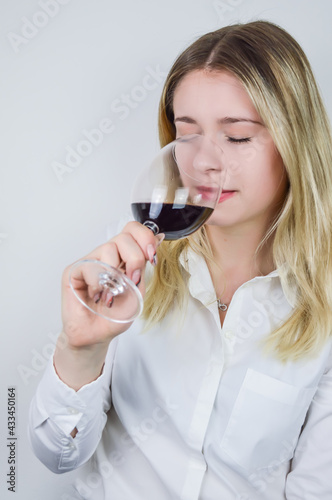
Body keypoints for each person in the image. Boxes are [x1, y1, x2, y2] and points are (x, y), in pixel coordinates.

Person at [28, 20, 332, 499]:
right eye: (187, 135)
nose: (206, 162)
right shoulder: (125, 268)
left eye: (237, 137)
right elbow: (56, 456)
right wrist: (81, 349)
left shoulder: (325, 303)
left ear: (295, 141)